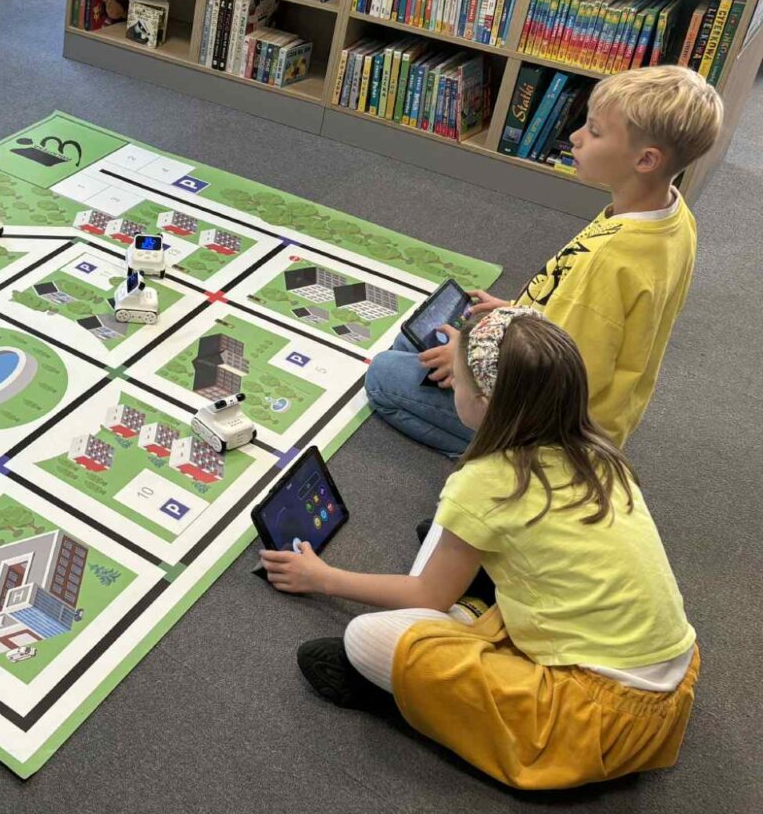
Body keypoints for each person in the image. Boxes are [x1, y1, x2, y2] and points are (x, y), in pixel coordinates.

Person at [264, 312, 699, 790]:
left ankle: (417, 690)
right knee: (457, 539)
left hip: (591, 714)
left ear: (485, 403)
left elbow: (427, 596)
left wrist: (323, 578)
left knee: (364, 638)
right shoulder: (599, 451)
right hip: (670, 676)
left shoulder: (486, 482)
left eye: (458, 378)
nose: (453, 386)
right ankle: (469, 618)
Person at [365, 65, 722, 456]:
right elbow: (581, 316)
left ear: (646, 160)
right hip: (557, 365)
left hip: (547, 426)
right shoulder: (671, 216)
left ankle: (502, 458)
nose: (575, 137)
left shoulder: (608, 263)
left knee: (382, 376)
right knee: (415, 340)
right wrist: (514, 310)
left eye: (594, 132)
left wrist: (467, 362)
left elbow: (555, 377)